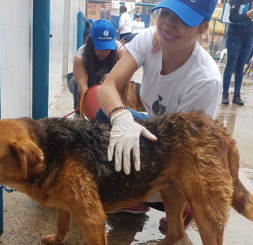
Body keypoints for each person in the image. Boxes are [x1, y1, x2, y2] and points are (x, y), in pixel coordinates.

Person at [95, 0, 221, 231]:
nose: (168, 25)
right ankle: (135, 199)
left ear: (203, 27)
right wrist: (121, 117)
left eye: (182, 20)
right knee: (104, 118)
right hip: (157, 128)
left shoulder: (204, 80)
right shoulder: (149, 37)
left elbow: (184, 150)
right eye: (165, 13)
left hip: (180, 150)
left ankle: (183, 204)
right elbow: (108, 87)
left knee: (177, 176)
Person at [67, 19, 125, 114]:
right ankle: (78, 111)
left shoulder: (119, 50)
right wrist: (93, 111)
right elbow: (83, 86)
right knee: (84, 83)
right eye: (100, 47)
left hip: (107, 82)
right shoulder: (81, 55)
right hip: (85, 83)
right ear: (92, 42)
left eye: (107, 48)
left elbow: (126, 76)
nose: (104, 52)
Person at [221, 0, 253, 106]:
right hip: (235, 35)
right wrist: (247, 14)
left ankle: (237, 95)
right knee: (230, 65)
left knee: (240, 67)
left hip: (249, 36)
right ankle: (225, 94)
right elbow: (232, 18)